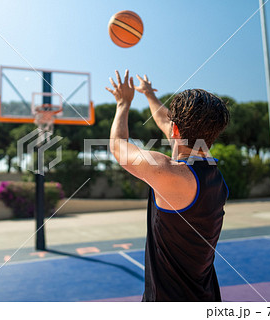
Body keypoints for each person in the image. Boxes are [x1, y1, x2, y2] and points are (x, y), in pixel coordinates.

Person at [106, 70, 230, 302]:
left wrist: (123, 103)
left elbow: (118, 146)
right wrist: (150, 95)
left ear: (175, 131)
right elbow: (167, 122)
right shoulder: (215, 176)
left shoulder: (169, 172)